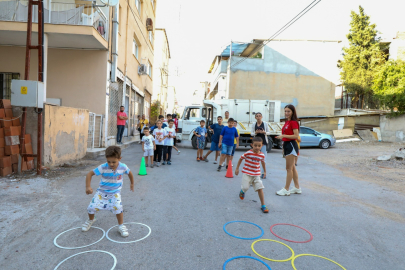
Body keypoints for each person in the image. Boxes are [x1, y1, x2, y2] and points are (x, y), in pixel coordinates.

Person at [82, 146, 134, 237]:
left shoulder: (123, 167)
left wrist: (132, 184)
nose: (111, 164)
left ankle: (121, 226)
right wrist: (88, 187)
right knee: (91, 207)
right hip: (101, 192)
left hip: (115, 192)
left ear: (119, 159)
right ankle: (91, 220)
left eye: (114, 162)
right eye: (109, 161)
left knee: (118, 208)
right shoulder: (103, 167)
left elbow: (130, 173)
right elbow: (90, 174)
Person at [235, 137, 269, 213]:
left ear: (262, 145)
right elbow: (241, 158)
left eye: (259, 146)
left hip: (256, 174)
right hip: (247, 173)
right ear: (252, 145)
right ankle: (242, 191)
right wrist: (237, 168)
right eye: (255, 145)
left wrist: (265, 172)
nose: (257, 147)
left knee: (260, 188)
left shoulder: (262, 155)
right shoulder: (248, 153)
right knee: (245, 187)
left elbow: (263, 162)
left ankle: (263, 205)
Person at [275, 104, 301, 196]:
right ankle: (297, 187)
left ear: (293, 112)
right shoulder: (287, 122)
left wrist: (283, 136)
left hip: (291, 145)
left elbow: (296, 136)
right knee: (292, 167)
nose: (286, 113)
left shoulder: (294, 122)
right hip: (286, 145)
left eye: (288, 111)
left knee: (289, 168)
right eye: (285, 111)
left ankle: (286, 189)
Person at [251, 112, 270, 179]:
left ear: (261, 117)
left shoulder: (265, 124)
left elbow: (268, 132)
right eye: (257, 116)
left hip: (263, 142)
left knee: (263, 158)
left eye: (259, 116)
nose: (258, 117)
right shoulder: (254, 124)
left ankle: (263, 173)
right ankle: (256, 172)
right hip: (256, 143)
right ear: (255, 117)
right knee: (256, 158)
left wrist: (264, 132)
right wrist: (255, 132)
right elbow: (251, 133)